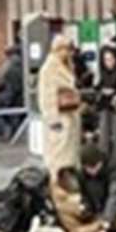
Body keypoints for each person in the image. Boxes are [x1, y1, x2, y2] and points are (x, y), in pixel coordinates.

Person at [38, 35, 82, 175]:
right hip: (59, 118)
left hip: (70, 115)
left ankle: (67, 177)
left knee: (68, 154)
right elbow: (47, 96)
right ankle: (57, 180)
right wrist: (53, 119)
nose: (69, 53)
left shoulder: (66, 65)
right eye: (66, 49)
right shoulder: (49, 68)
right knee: (58, 155)